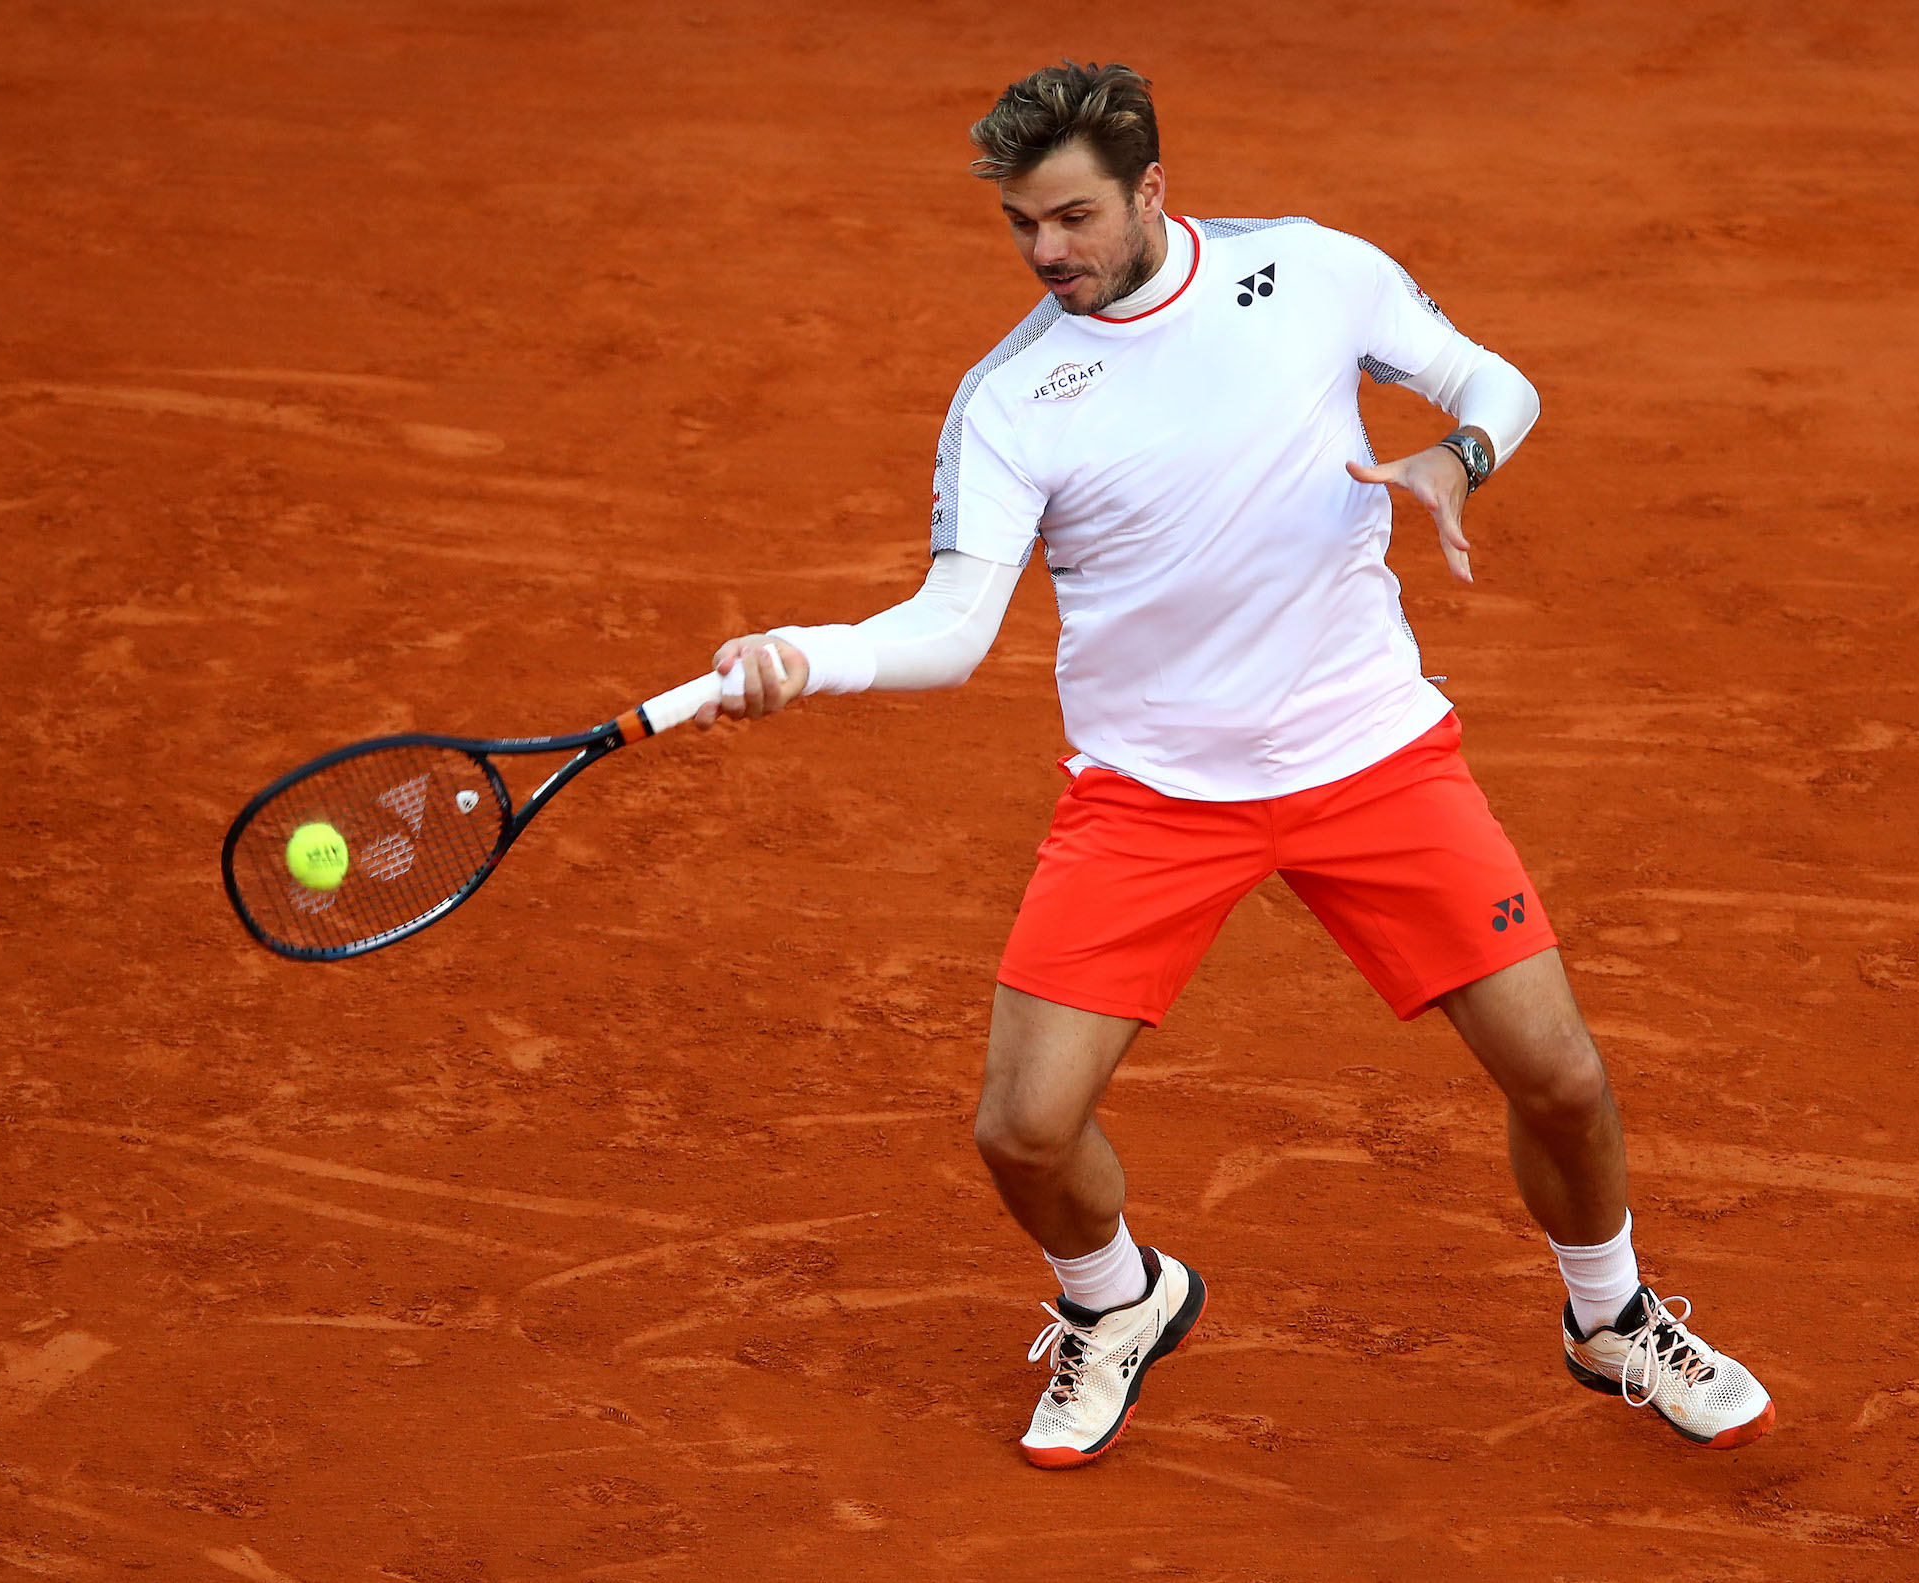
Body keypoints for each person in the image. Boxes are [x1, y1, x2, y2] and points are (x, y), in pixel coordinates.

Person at [692, 61, 1773, 1467]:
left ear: (1152, 189)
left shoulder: (1315, 273)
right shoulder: (1014, 397)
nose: (1046, 254)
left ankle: (1610, 1314)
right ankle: (1118, 1301)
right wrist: (809, 655)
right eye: (1022, 226)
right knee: (1023, 1131)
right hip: (1151, 793)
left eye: (1071, 217)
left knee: (1560, 1077)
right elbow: (953, 627)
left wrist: (1457, 456)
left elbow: (1495, 382)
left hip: (1370, 755)